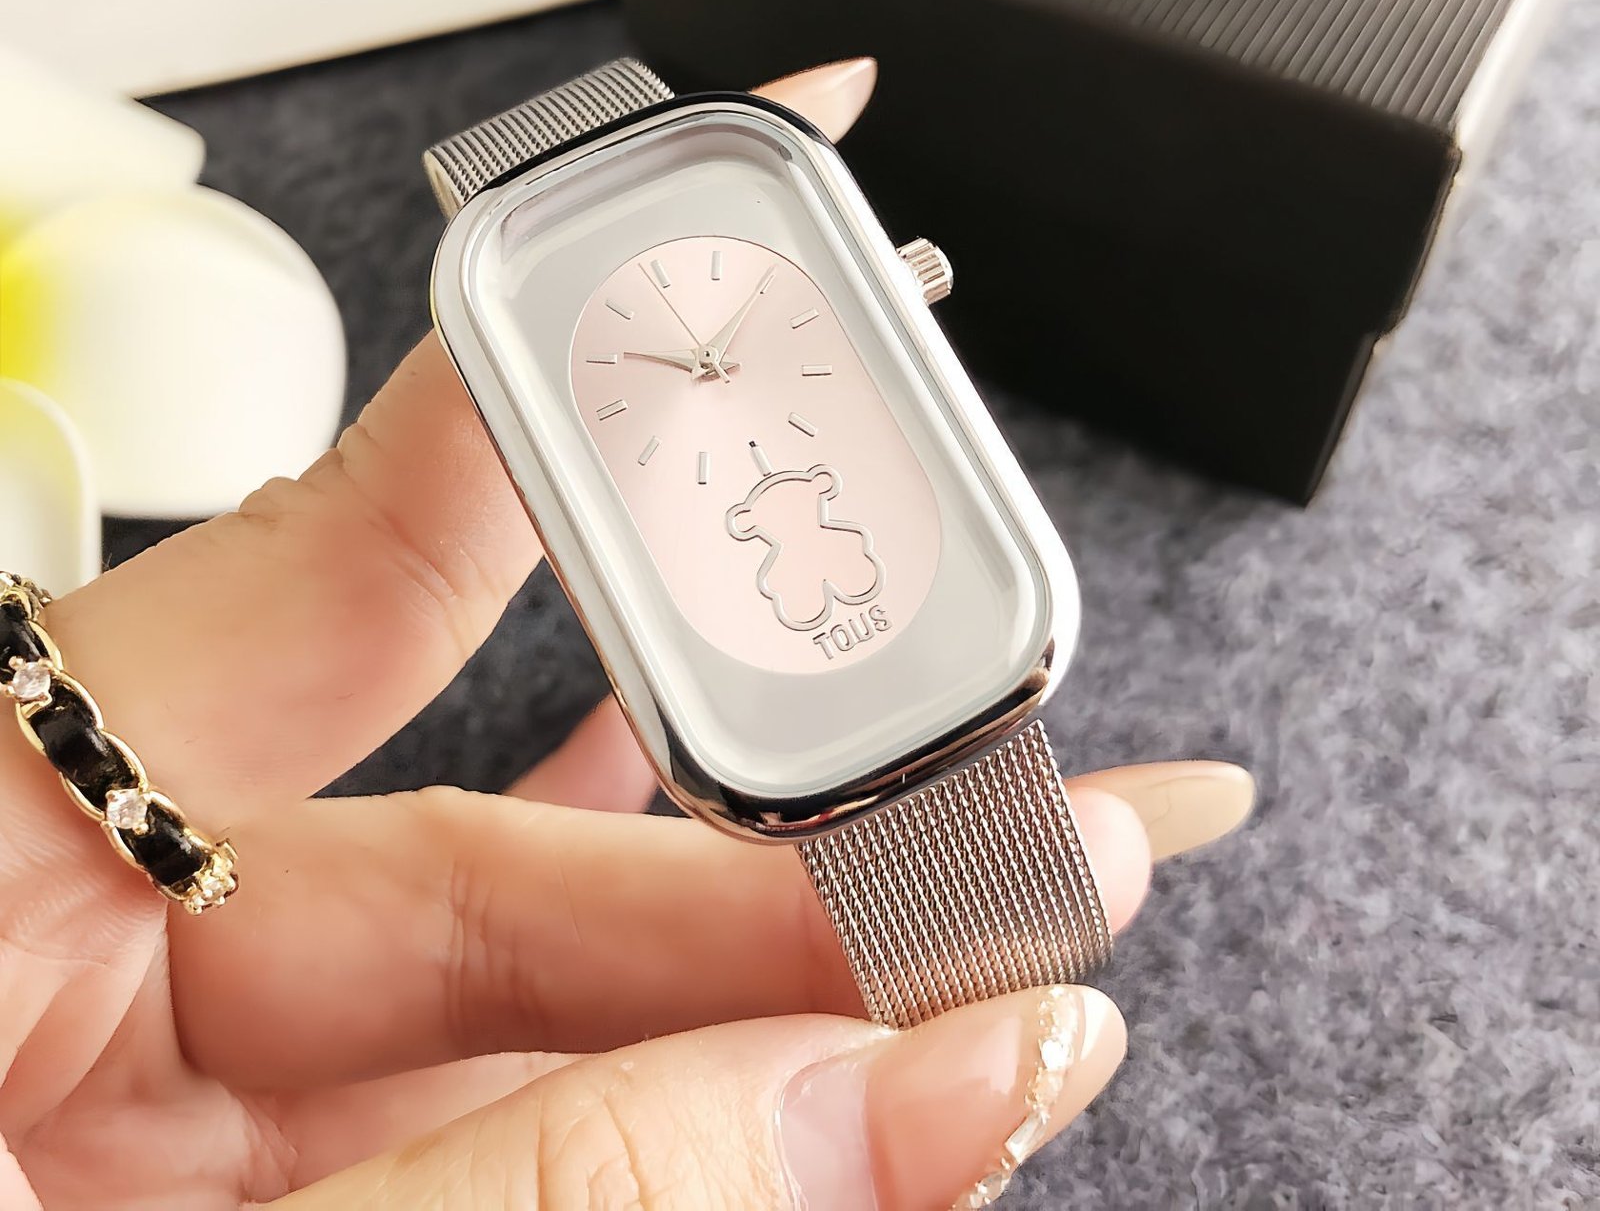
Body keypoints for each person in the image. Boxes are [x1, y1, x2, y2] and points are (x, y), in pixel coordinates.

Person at [0, 63, 1253, 1209]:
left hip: (933, 668)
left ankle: (973, 1013)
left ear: (901, 279)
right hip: (802, 714)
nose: (710, 375)